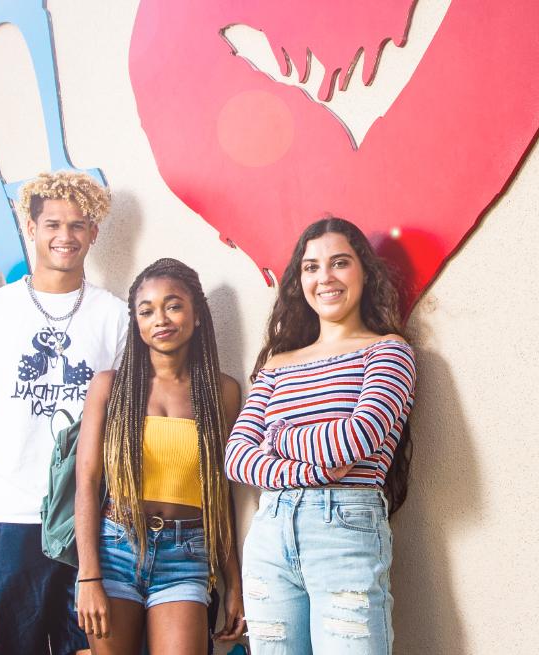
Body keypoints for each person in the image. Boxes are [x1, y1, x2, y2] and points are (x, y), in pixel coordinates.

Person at [0, 171, 127, 654]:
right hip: (10, 518)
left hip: (88, 523)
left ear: (94, 233)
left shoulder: (116, 316)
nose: (65, 236)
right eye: (53, 224)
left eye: (78, 225)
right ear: (31, 226)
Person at [224, 217, 418, 655]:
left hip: (345, 531)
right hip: (270, 534)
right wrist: (318, 461)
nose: (324, 277)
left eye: (339, 263)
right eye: (311, 267)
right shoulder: (277, 362)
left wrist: (275, 436)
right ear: (300, 280)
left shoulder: (387, 351)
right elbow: (236, 458)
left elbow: (356, 439)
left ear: (364, 273)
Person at [71, 259, 248, 654]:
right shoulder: (109, 387)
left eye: (173, 305)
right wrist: (88, 577)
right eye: (146, 310)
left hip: (187, 553)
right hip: (115, 546)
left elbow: (223, 497)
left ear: (197, 315)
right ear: (135, 322)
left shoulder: (223, 393)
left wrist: (234, 582)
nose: (160, 319)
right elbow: (86, 482)